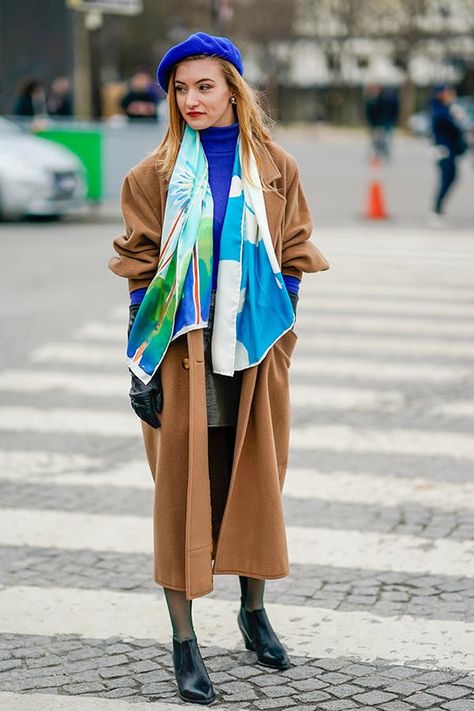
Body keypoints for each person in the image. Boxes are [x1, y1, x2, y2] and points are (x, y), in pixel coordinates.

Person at [109, 32, 329, 705]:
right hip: (182, 356)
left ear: (233, 87)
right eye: (180, 88)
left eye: (204, 86)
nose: (191, 99)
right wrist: (142, 367)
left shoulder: (276, 167)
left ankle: (252, 611)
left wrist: (279, 329)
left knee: (251, 484)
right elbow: (140, 272)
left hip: (253, 356)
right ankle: (184, 642)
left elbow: (294, 253)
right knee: (183, 493)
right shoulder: (154, 175)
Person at [428, 83, 468, 224]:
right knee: (447, 178)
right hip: (443, 150)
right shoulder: (439, 110)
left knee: (450, 178)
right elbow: (455, 127)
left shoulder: (447, 109)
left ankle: (438, 208)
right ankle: (436, 209)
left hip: (450, 149)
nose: (451, 95)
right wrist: (458, 117)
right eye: (447, 92)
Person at [364, 84, 399, 160]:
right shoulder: (389, 99)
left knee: (381, 139)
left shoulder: (377, 100)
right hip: (383, 123)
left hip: (381, 123)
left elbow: (372, 112)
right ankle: (383, 153)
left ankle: (381, 153)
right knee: (383, 139)